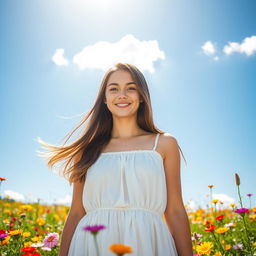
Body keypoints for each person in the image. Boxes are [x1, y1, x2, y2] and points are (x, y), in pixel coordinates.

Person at [37, 62, 193, 256]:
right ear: (104, 98)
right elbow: (77, 212)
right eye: (113, 89)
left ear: (142, 96)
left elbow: (175, 210)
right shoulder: (86, 150)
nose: (122, 95)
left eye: (131, 88)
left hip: (149, 241)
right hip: (92, 245)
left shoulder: (164, 144)